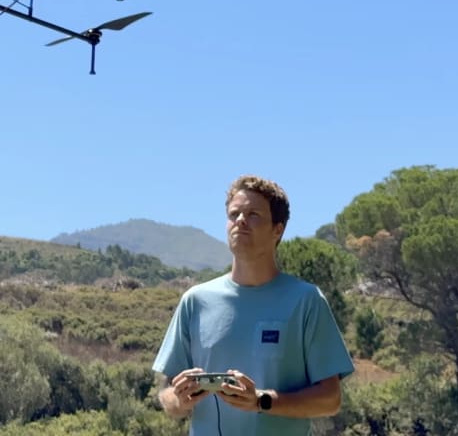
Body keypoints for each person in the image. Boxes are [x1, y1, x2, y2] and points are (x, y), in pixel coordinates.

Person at [151, 174, 354, 435]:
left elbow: (330, 400)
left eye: (253, 214)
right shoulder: (195, 301)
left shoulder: (306, 301)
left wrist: (261, 401)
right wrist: (179, 400)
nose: (240, 221)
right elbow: (166, 396)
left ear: (277, 229)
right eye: (234, 214)